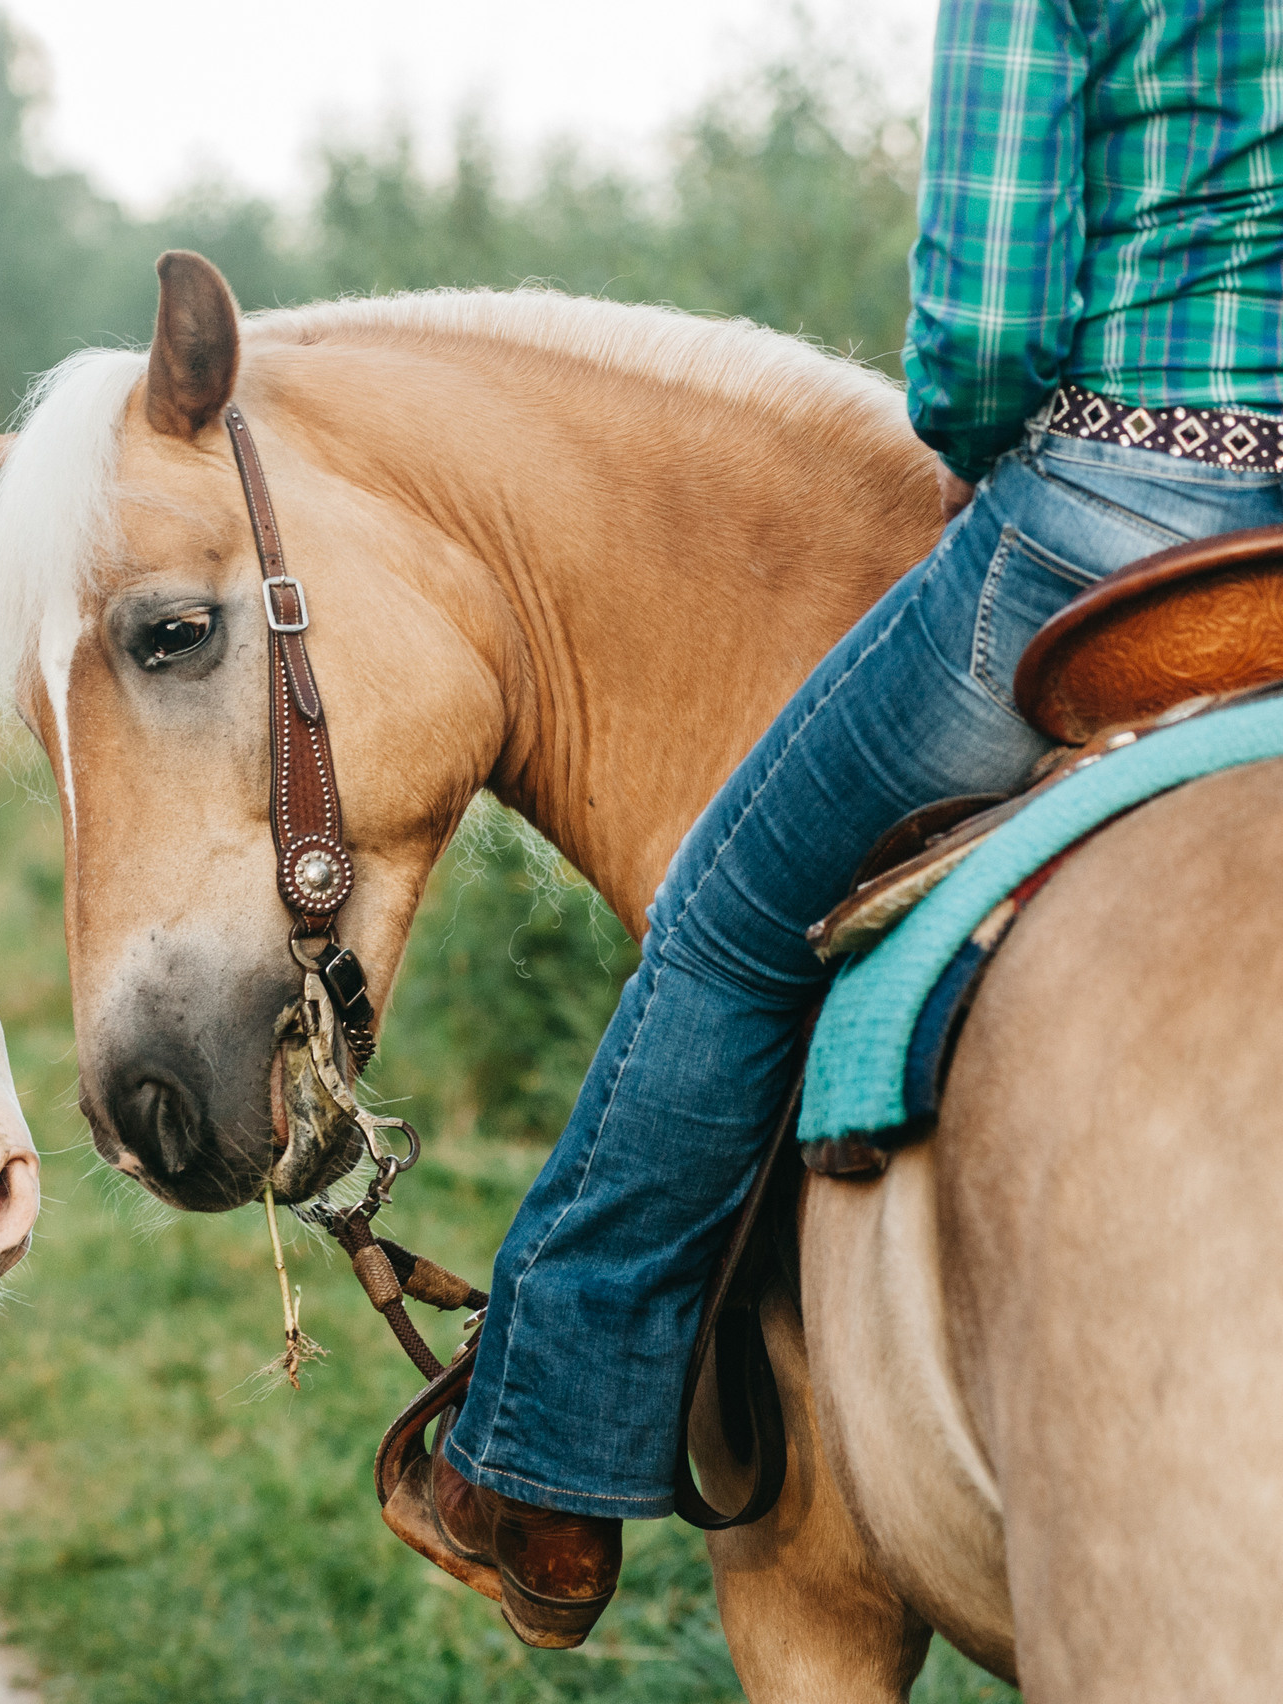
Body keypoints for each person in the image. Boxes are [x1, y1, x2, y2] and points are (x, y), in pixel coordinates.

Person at [420, 0, 1283, 1648]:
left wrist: (981, 451)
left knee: (734, 918)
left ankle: (540, 1454)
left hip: (1121, 512)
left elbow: (985, 329)